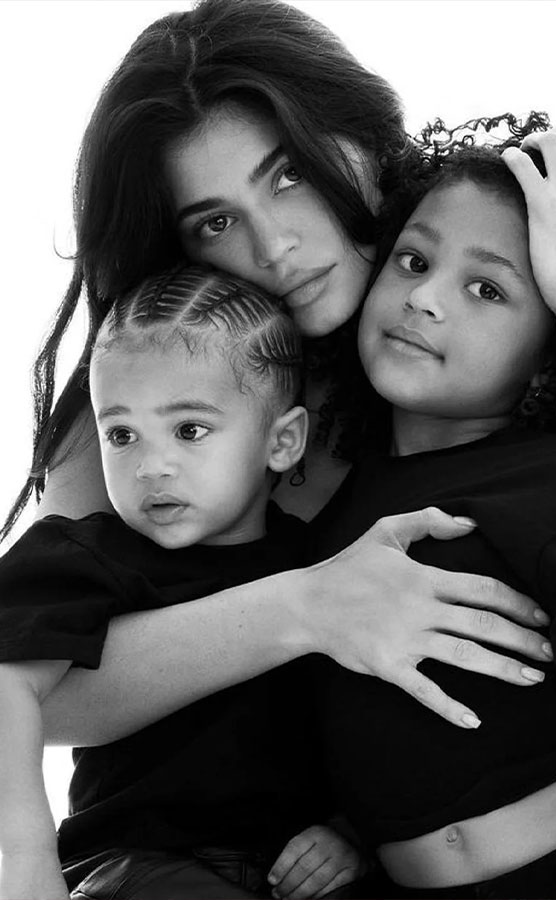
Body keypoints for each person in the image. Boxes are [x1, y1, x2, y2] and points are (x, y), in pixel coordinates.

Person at [0, 0, 556, 890]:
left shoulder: (489, 334)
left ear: (363, 138)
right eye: (214, 222)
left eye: (288, 175)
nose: (276, 245)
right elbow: (45, 695)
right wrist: (305, 607)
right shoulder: (143, 411)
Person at [305, 137, 556, 898]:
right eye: (413, 261)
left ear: (550, 351)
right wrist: (352, 825)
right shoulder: (335, 508)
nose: (424, 297)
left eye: (486, 289)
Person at [0, 265, 376, 900]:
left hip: (285, 876)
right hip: (134, 868)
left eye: (189, 430)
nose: (151, 467)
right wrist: (26, 864)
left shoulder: (323, 564)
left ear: (283, 441)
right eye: (122, 435)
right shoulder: (88, 556)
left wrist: (352, 831)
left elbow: (368, 727)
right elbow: (7, 685)